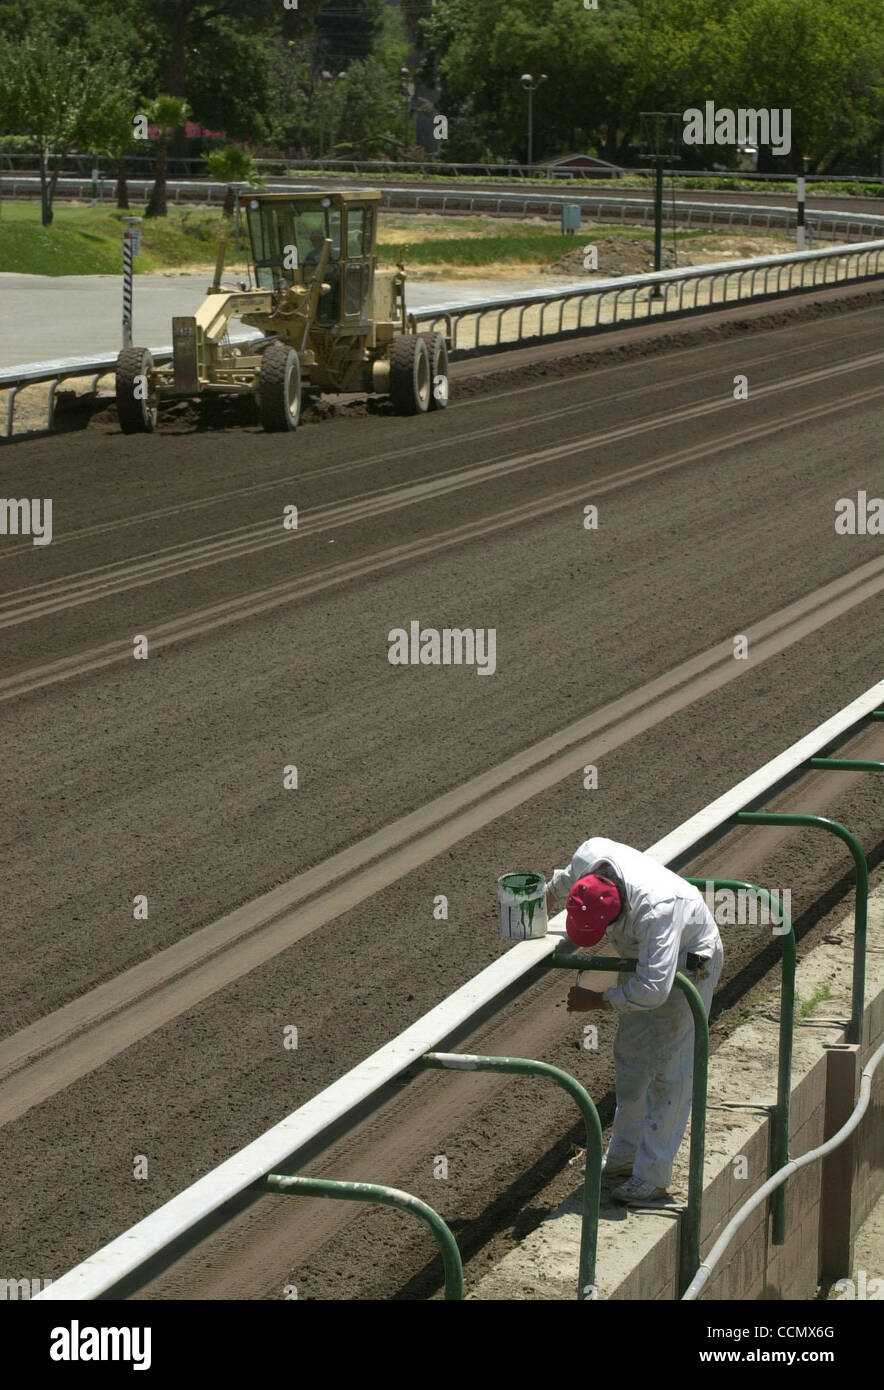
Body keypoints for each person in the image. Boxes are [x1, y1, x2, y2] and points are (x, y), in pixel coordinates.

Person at [546, 837, 723, 1205]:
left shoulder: (657, 910)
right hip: (640, 961)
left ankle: (652, 1176)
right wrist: (538, 899)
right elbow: (564, 882)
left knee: (669, 1069)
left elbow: (655, 990)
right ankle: (624, 1156)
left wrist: (596, 1000)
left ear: (618, 913)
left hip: (689, 965)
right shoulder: (590, 856)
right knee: (631, 1060)